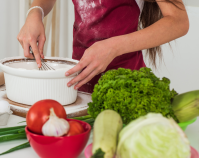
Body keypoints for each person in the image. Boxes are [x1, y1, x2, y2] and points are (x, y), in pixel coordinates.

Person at [17, 0, 189, 93]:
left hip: (124, 83)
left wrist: (113, 47)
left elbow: (179, 21)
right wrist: (35, 11)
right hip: (80, 84)